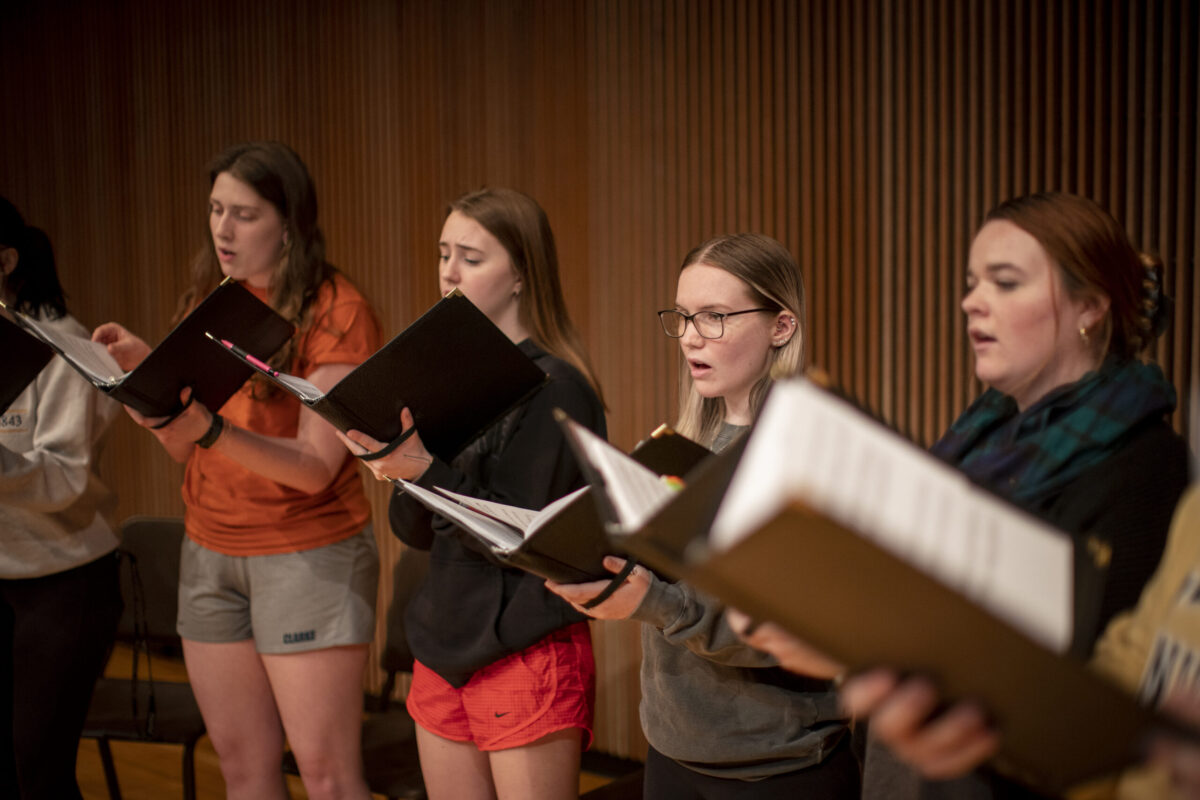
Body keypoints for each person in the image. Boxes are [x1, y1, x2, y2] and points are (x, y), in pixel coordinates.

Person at [738, 192, 1191, 799]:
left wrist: (871, 641)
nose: (971, 301)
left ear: (1089, 306)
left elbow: (1086, 684)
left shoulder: (1146, 464)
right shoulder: (981, 435)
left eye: (1005, 283)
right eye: (972, 282)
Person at [92, 142, 382, 800]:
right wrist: (151, 385)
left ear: (289, 222)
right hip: (210, 550)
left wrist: (208, 425)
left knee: (327, 777)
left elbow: (315, 468)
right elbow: (185, 449)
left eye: (244, 214)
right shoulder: (211, 299)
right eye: (217, 209)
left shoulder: (337, 311)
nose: (223, 228)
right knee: (245, 772)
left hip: (307, 555)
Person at [546, 233, 861, 799]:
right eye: (685, 317)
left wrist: (653, 603)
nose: (691, 338)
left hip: (775, 767)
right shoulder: (692, 445)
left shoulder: (808, 456)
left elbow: (787, 632)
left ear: (781, 327)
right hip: (674, 751)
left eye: (715, 317)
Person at [338, 187, 606, 800]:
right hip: (444, 642)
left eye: (471, 257)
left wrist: (421, 469)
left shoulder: (558, 387)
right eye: (442, 254)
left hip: (522, 646)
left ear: (520, 275)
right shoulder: (446, 376)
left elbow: (520, 538)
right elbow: (415, 531)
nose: (448, 273)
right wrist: (398, 466)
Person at [0, 196, 122, 800]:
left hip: (64, 581)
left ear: (5, 260)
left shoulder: (61, 346)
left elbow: (65, 477)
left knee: (38, 770)